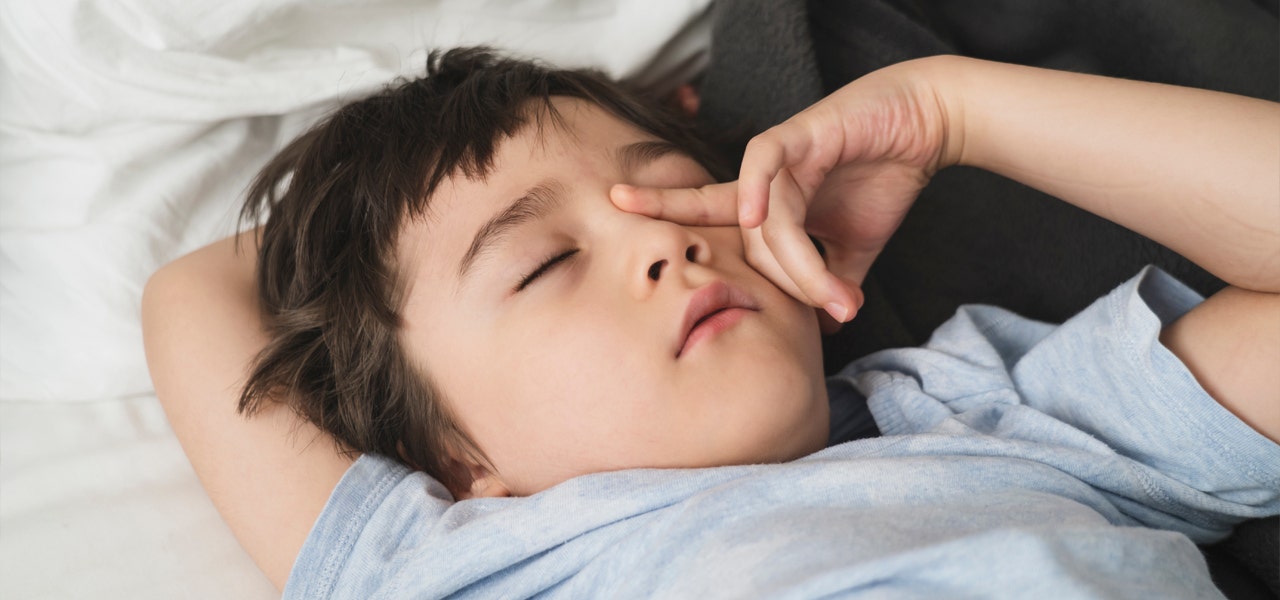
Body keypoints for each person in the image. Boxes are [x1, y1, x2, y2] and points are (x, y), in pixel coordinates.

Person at [141, 47, 1280, 597]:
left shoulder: (979, 415)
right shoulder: (448, 565)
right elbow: (192, 295)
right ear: (452, 453)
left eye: (677, 190)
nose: (664, 240)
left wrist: (952, 108)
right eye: (542, 265)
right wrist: (359, 248)